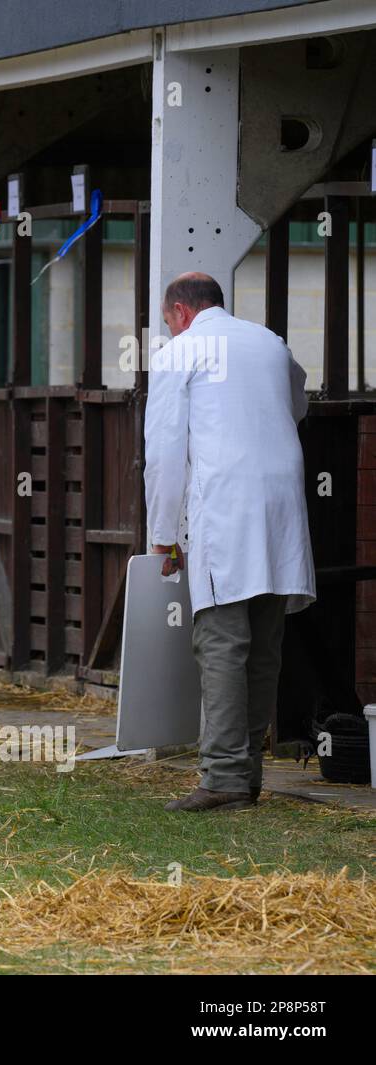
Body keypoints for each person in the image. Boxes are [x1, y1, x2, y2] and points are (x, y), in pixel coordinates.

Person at [145, 272, 315, 813]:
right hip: (281, 501)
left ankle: (222, 777)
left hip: (225, 502)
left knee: (220, 642)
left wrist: (162, 536)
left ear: (180, 312)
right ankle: (248, 776)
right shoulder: (270, 342)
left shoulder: (181, 352)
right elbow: (298, 404)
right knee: (264, 643)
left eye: (169, 322)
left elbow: (165, 453)